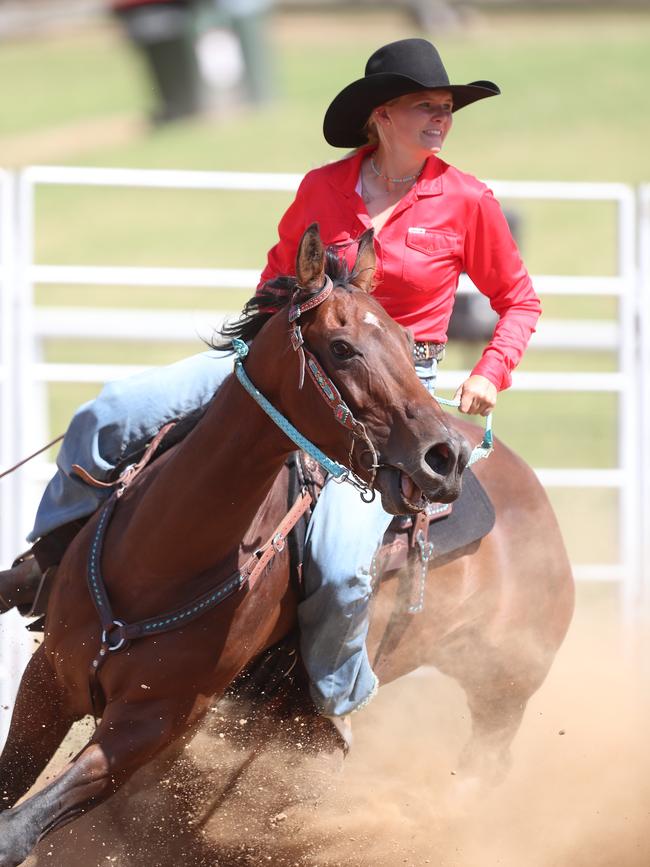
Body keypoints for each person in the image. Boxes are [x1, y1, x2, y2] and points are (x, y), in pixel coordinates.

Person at [0, 39, 540, 739]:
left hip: (395, 389)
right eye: (426, 107)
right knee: (111, 412)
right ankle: (44, 566)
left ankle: (329, 702)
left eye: (447, 109)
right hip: (289, 359)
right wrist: (253, 353)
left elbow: (519, 300)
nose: (442, 118)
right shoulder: (323, 187)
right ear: (382, 116)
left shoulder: (466, 200)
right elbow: (276, 281)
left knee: (345, 564)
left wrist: (490, 371)